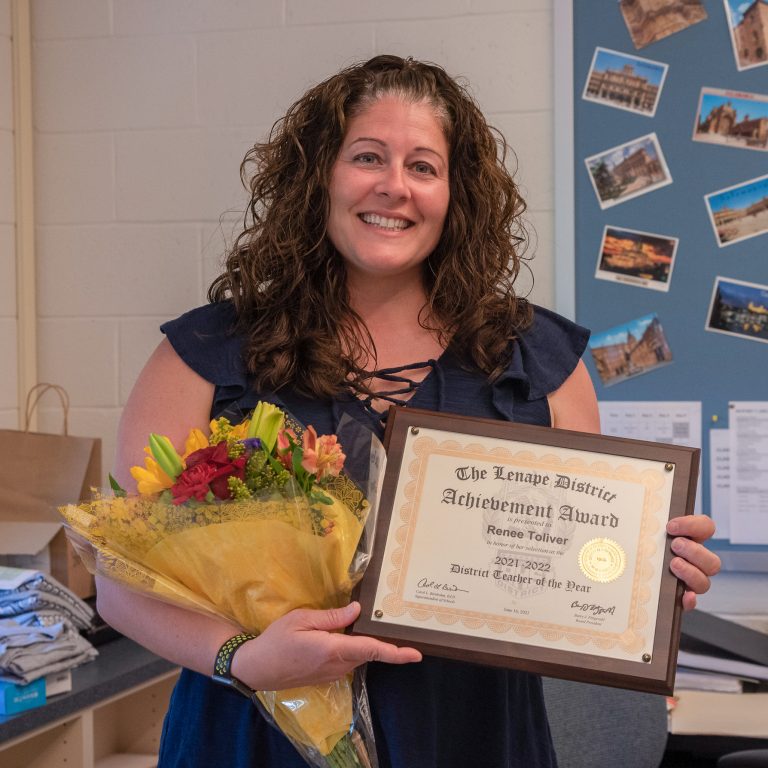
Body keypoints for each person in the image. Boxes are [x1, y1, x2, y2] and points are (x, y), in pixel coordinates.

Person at [100, 55, 721, 768]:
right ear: (319, 178)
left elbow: (588, 575)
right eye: (367, 157)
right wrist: (241, 658)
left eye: (423, 166)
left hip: (475, 739)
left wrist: (655, 577)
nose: (394, 186)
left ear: (457, 194)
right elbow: (119, 584)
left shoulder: (538, 362)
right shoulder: (206, 356)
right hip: (253, 735)